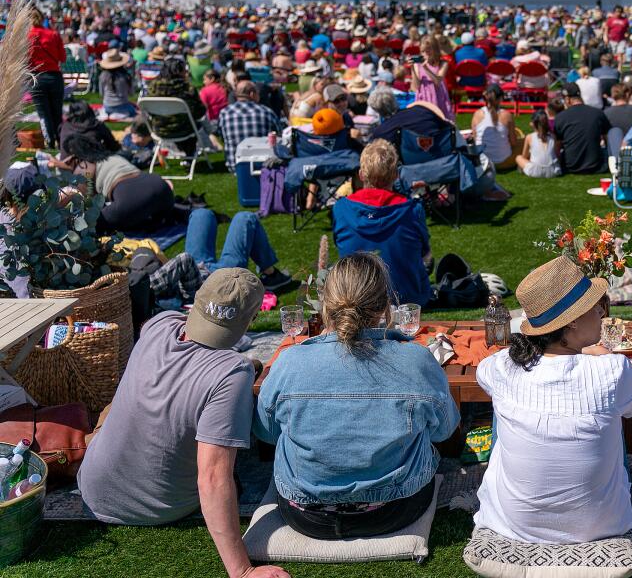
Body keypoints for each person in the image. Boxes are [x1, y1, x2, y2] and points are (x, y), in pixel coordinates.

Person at [77, 269, 290, 578]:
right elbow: (213, 478)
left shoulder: (159, 324)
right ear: (251, 319)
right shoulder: (232, 372)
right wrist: (242, 570)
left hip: (92, 488)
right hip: (157, 507)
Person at [254, 253, 457, 540]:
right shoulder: (417, 360)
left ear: (327, 304)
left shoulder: (290, 362)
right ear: (386, 305)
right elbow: (444, 430)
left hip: (307, 515)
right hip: (395, 509)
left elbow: (266, 432)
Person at [474, 256, 632, 543]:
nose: (602, 315)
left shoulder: (503, 366)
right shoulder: (612, 370)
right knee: (613, 422)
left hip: (515, 524)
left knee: (502, 408)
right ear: (574, 323)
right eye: (597, 308)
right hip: (600, 525)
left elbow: (484, 374)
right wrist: (602, 356)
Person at [332, 140, 432, 306]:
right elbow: (425, 253)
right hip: (407, 301)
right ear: (396, 175)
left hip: (356, 301)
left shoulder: (340, 209)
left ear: (362, 175)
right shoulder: (412, 210)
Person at [64, 139, 176, 235]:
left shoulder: (85, 167)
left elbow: (86, 201)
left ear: (74, 156)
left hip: (132, 200)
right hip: (161, 188)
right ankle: (156, 218)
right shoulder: (112, 155)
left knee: (92, 223)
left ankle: (143, 219)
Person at [184, 208, 295, 293]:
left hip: (193, 271)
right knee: (246, 218)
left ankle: (270, 273)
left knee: (201, 214)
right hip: (216, 286)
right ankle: (271, 273)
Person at [218, 81, 281, 171]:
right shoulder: (266, 112)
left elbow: (222, 136)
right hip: (263, 164)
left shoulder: (224, 113)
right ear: (252, 94)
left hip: (234, 165)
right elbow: (279, 135)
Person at [27, 7, 66, 148]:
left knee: (44, 114)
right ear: (42, 19)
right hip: (54, 76)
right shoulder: (53, 35)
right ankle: (61, 140)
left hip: (37, 78)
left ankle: (50, 142)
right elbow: (63, 57)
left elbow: (24, 61)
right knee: (57, 113)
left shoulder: (27, 37)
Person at [554, 83, 611, 174]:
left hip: (571, 166)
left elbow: (557, 147)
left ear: (567, 99)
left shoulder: (560, 117)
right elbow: (607, 140)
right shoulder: (597, 113)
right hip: (596, 165)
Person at [471, 84, 518, 171]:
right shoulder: (507, 115)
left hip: (482, 162)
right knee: (526, 141)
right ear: (501, 98)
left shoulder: (477, 114)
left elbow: (475, 139)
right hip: (502, 161)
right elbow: (514, 142)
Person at [411, 37, 454, 119]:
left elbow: (438, 81)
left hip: (438, 95)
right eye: (423, 51)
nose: (425, 54)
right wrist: (412, 69)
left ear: (435, 50)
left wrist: (426, 69)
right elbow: (416, 87)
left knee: (440, 119)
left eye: (427, 51)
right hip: (423, 95)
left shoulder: (443, 63)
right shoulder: (417, 65)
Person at [515, 110, 561, 178]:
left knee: (518, 157)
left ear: (532, 123)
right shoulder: (553, 136)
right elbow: (557, 155)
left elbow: (524, 156)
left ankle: (521, 169)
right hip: (553, 171)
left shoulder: (529, 137)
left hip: (535, 172)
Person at [98, 49, 137, 117]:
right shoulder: (126, 76)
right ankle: (121, 114)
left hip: (108, 107)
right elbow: (131, 93)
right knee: (134, 109)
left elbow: (102, 93)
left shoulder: (103, 75)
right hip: (123, 106)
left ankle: (113, 114)